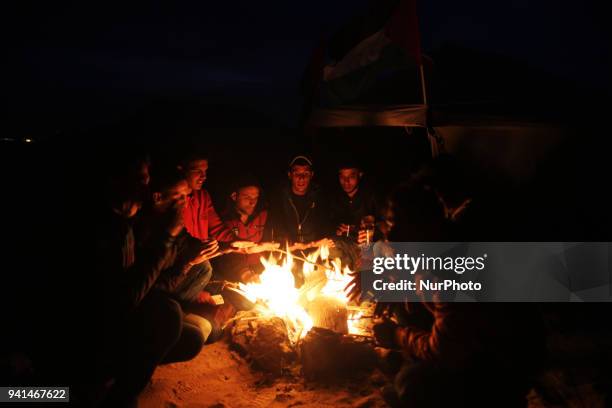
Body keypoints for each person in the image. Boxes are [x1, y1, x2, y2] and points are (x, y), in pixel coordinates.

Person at [269, 155, 331, 246]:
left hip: (313, 249)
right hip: (288, 249)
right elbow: (276, 225)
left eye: (306, 173)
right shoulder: (279, 197)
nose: (301, 178)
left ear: (311, 175)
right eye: (296, 173)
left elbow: (325, 226)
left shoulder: (320, 198)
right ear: (290, 175)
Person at [178, 153, 234, 243]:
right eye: (197, 171)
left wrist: (237, 241)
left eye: (205, 171)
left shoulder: (203, 196)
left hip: (203, 256)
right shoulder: (173, 200)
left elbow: (216, 228)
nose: (204, 177)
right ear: (181, 170)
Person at [329, 159, 381, 245]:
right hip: (344, 248)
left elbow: (385, 225)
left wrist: (371, 232)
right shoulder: (334, 198)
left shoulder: (371, 197)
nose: (346, 181)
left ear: (359, 175)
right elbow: (328, 224)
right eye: (342, 177)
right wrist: (336, 230)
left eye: (351, 176)